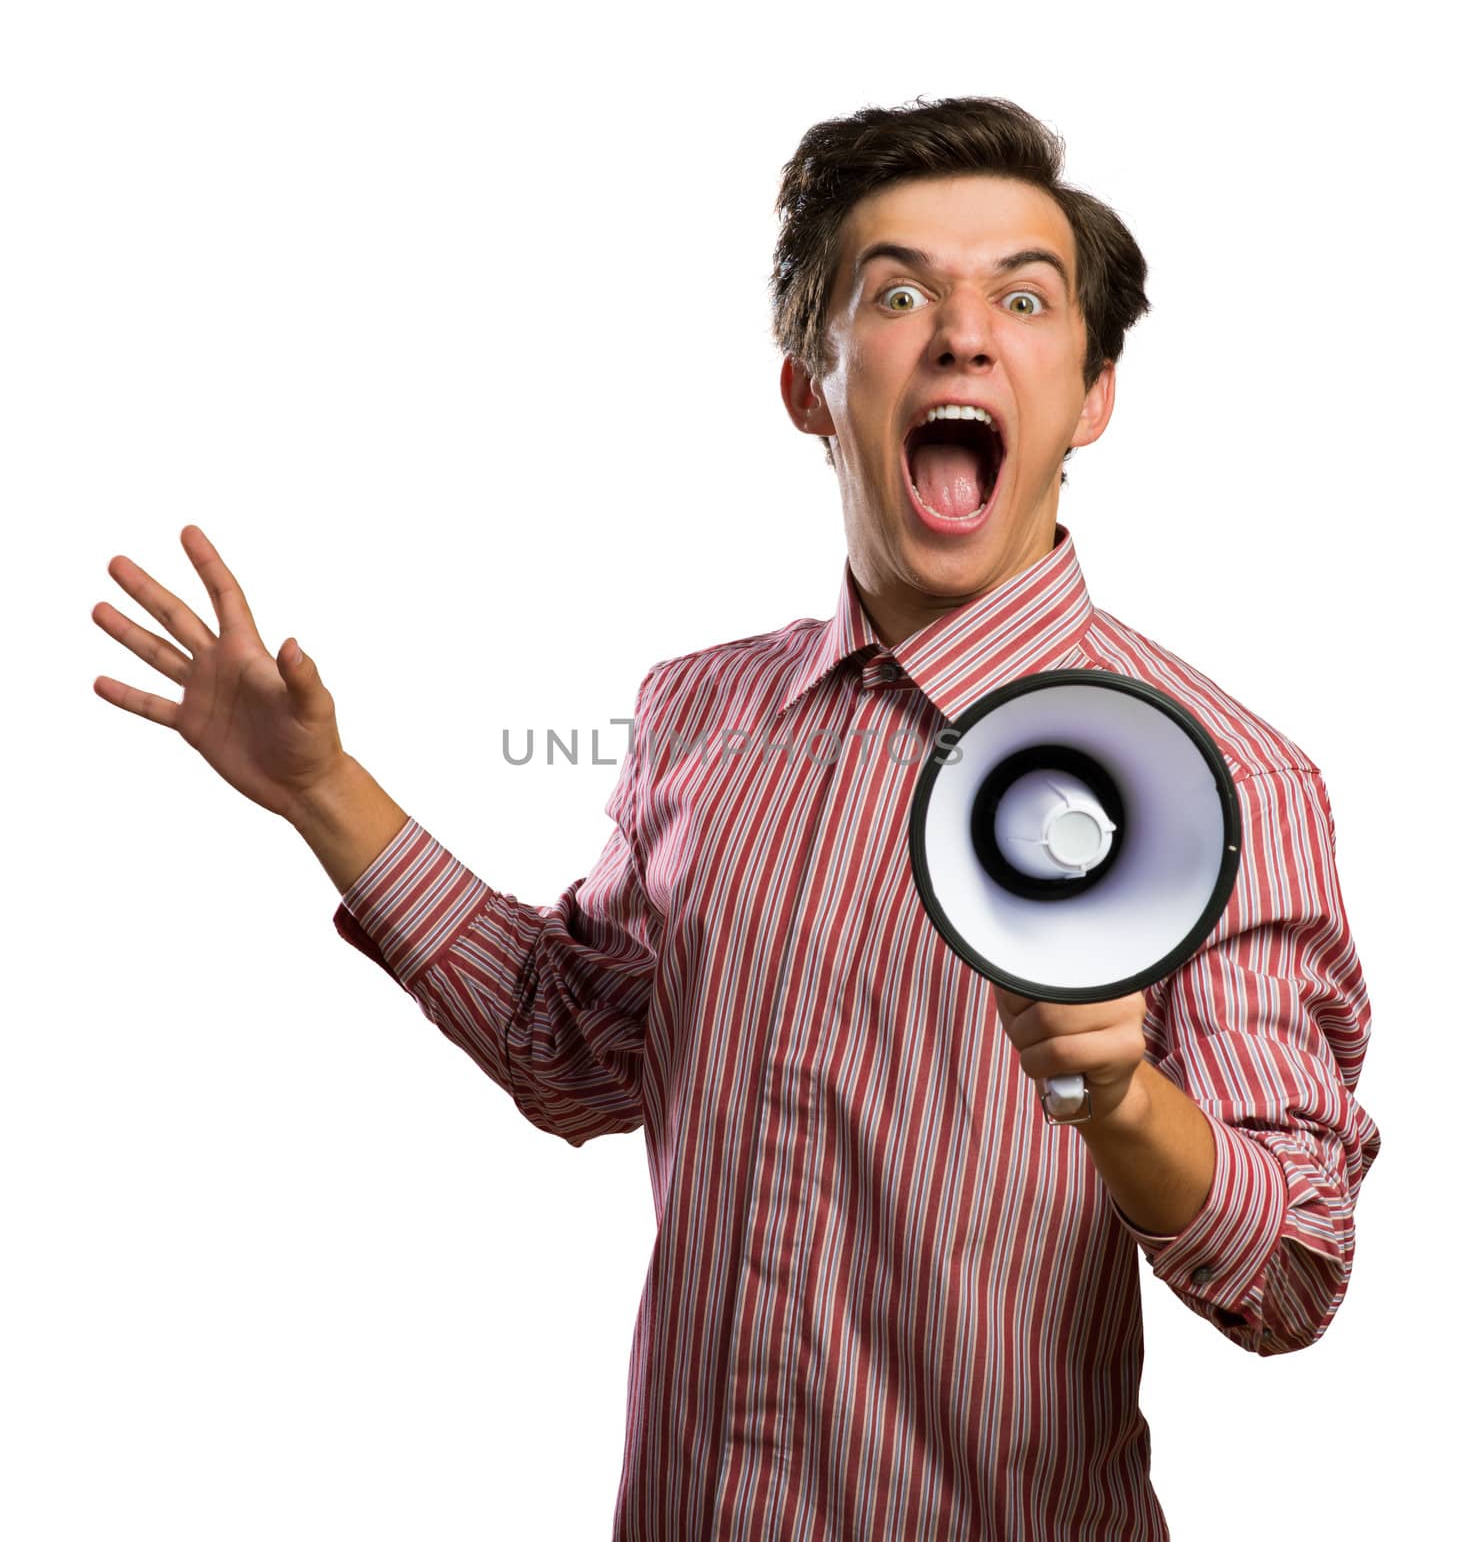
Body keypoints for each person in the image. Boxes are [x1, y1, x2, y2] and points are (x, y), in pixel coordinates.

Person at [91, 96, 1380, 1540]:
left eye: (1023, 296)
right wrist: (322, 792)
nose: (962, 334)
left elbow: (1288, 1277)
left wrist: (1123, 1101)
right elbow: (574, 1055)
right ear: (810, 385)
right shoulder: (698, 715)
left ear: (1088, 394)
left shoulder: (1233, 784)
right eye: (897, 293)